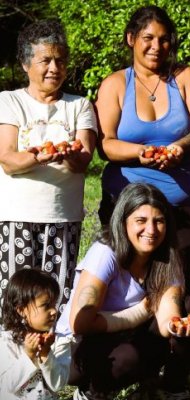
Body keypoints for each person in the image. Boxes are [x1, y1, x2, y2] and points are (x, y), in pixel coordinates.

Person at [94, 5, 190, 385]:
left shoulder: (185, 77)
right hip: (126, 208)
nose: (156, 46)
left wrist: (180, 146)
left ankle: (188, 371)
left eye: (164, 39)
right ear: (132, 39)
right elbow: (106, 145)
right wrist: (140, 152)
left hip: (182, 206)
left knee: (183, 286)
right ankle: (136, 362)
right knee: (128, 289)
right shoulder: (115, 83)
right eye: (148, 38)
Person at [55, 183, 190, 399]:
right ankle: (91, 393)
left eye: (159, 221)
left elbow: (166, 318)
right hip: (77, 349)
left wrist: (176, 326)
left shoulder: (168, 256)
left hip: (122, 337)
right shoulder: (106, 253)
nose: (151, 230)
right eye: (140, 221)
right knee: (129, 357)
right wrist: (137, 315)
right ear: (123, 223)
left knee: (189, 305)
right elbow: (80, 322)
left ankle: (171, 387)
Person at [0, 19, 97, 316]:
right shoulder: (9, 101)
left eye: (61, 60)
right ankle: (12, 360)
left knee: (56, 298)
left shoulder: (79, 105)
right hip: (17, 217)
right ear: (26, 64)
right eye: (46, 60)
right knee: (16, 298)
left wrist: (67, 154)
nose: (54, 68)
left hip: (62, 218)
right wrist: (39, 157)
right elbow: (8, 159)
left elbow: (83, 160)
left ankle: (54, 359)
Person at [0, 268, 71, 399]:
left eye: (54, 304)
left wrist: (46, 354)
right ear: (22, 310)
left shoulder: (59, 341)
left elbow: (58, 384)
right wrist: (28, 355)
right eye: (46, 305)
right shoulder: (6, 341)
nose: (54, 311)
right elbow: (6, 386)